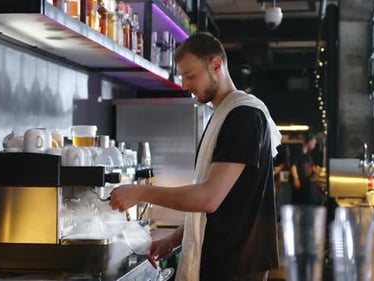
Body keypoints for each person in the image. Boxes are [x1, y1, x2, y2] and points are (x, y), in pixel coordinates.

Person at [109, 32, 281, 281]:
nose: (185, 85)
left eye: (191, 76)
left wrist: (140, 192)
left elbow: (209, 198)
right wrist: (173, 239)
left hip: (237, 262)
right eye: (182, 77)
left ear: (216, 65)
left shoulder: (243, 116)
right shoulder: (224, 114)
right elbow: (222, 206)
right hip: (226, 255)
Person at [289, 133, 321, 205]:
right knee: (297, 202)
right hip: (299, 183)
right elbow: (293, 166)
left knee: (306, 202)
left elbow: (311, 165)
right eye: (313, 143)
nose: (314, 145)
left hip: (306, 183)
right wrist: (296, 179)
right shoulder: (298, 151)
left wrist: (316, 171)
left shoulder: (308, 153)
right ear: (309, 142)